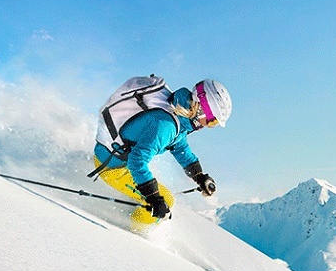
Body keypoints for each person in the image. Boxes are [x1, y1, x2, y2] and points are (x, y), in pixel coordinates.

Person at [90, 76, 231, 225]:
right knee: (166, 202)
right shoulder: (165, 126)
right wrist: (153, 197)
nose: (208, 125)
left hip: (113, 157)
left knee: (162, 198)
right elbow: (137, 160)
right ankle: (129, 233)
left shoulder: (178, 114)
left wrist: (199, 176)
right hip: (112, 168)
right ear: (201, 108)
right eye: (211, 120)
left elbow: (180, 148)